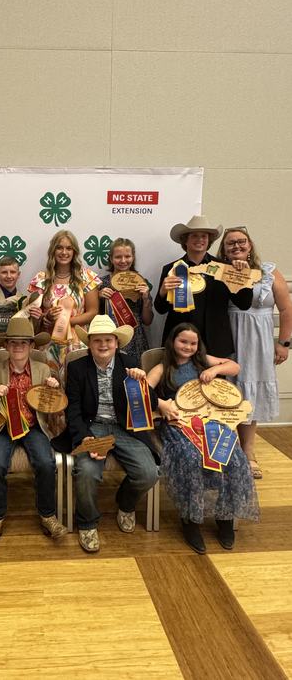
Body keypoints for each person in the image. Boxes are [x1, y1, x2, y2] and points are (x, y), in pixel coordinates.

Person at [147, 323, 259, 554]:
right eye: (183, 341)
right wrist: (160, 403)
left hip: (212, 422)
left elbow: (234, 366)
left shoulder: (202, 361)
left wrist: (215, 370)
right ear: (172, 341)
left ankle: (225, 516)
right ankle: (191, 520)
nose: (188, 346)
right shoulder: (162, 367)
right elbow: (141, 389)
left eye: (192, 343)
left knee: (235, 458)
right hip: (179, 425)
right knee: (190, 459)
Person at [63, 315, 159, 553]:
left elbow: (151, 405)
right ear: (89, 343)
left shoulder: (131, 363)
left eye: (108, 340)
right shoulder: (76, 367)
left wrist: (144, 383)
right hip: (91, 426)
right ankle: (87, 522)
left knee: (149, 473)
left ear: (117, 343)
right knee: (86, 472)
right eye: (97, 341)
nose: (103, 345)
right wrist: (84, 437)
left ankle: (125, 504)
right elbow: (73, 409)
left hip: (124, 428)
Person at [0, 318, 67, 541]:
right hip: (3, 427)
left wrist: (53, 390)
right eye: (13, 343)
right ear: (6, 346)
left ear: (31, 346)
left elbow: (53, 406)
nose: (18, 347)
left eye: (23, 343)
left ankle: (48, 515)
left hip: (34, 426)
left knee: (46, 463)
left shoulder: (43, 369)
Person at [218, 227, 292, 479]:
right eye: (230, 243)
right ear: (223, 249)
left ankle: (248, 452)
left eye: (241, 241)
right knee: (230, 391)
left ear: (250, 245)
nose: (236, 246)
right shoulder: (219, 272)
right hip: (230, 338)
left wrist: (284, 343)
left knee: (253, 394)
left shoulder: (269, 272)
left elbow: (285, 309)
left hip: (260, 341)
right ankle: (229, 451)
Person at [154, 215, 253, 356]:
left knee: (215, 379)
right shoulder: (172, 268)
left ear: (209, 241)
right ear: (185, 240)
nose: (200, 240)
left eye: (204, 236)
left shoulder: (224, 268)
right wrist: (163, 291)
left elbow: (244, 304)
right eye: (194, 236)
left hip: (215, 343)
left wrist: (245, 277)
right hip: (181, 343)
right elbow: (160, 309)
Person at [28, 229, 100, 380]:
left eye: (69, 248)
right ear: (53, 250)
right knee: (49, 389)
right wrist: (46, 318)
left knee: (77, 388)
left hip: (78, 344)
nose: (64, 252)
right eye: (59, 247)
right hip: (49, 344)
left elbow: (93, 312)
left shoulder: (86, 277)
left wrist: (66, 321)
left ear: (74, 251)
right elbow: (34, 314)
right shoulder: (41, 279)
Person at [99, 237, 153, 365]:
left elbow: (148, 321)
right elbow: (93, 315)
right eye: (118, 257)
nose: (123, 261)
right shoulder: (102, 283)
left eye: (127, 256)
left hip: (135, 337)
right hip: (108, 337)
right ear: (111, 259)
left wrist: (146, 300)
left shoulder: (140, 282)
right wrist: (99, 296)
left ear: (133, 257)